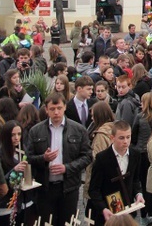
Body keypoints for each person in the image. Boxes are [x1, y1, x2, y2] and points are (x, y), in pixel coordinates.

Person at [25, 92, 92, 226]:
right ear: (46, 110)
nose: (56, 112)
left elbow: (87, 156)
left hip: (69, 188)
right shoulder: (36, 131)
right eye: (52, 109)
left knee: (68, 223)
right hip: (45, 188)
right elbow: (29, 158)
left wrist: (66, 168)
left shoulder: (78, 129)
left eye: (59, 108)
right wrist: (43, 158)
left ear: (65, 107)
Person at [88, 120, 145, 225]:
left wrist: (138, 194)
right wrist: (103, 208)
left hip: (128, 211)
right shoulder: (102, 158)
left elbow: (135, 180)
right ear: (112, 138)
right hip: (107, 213)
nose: (126, 141)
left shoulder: (135, 155)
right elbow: (93, 189)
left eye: (128, 137)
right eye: (121, 138)